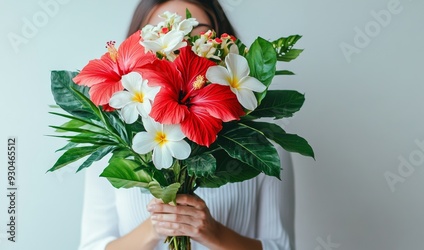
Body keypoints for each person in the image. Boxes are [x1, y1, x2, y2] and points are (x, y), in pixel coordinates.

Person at [78, 1, 295, 250]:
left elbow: (283, 246)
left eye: (196, 32)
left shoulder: (260, 143)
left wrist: (214, 234)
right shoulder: (112, 141)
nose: (181, 47)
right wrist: (154, 228)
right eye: (162, 30)